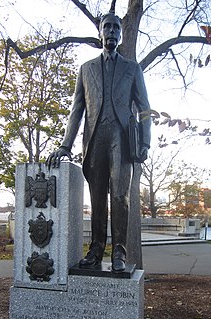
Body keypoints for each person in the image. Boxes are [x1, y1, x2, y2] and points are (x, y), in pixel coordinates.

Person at [47, 12, 151, 272]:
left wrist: (145, 143)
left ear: (121, 33)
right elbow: (76, 110)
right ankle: (95, 251)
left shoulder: (132, 68)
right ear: (101, 32)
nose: (113, 31)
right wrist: (65, 145)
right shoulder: (86, 69)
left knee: (119, 196)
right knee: (96, 199)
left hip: (122, 139)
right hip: (94, 140)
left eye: (117, 27)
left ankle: (119, 252)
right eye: (108, 27)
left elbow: (145, 108)